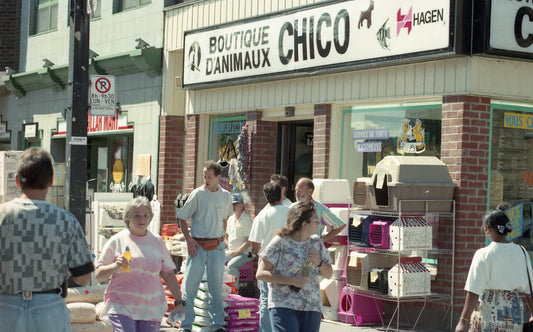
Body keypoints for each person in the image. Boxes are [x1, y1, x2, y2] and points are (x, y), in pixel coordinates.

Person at [0, 147, 94, 332]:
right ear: (51, 180)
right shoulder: (66, 220)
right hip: (50, 310)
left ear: (17, 180)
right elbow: (83, 278)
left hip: (5, 309)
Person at [95, 196, 184, 332]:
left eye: (145, 215)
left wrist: (178, 302)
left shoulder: (157, 242)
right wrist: (115, 266)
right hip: (121, 305)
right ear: (128, 218)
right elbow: (98, 275)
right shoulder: (117, 240)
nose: (141, 220)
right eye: (137, 216)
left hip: (150, 307)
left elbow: (169, 275)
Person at [256, 201, 333, 332]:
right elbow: (261, 273)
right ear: (304, 224)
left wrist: (318, 261)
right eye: (315, 220)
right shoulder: (280, 242)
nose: (318, 224)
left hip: (311, 306)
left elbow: (329, 274)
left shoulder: (316, 242)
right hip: (283, 304)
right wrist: (292, 281)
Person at [455, 206, 533, 332]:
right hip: (514, 313)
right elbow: (529, 290)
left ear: (487, 228)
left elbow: (473, 291)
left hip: (489, 311)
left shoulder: (483, 254)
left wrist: (463, 321)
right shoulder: (521, 252)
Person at [177, 160, 233, 332]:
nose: (206, 180)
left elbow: (225, 219)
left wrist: (224, 240)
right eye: (204, 176)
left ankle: (218, 326)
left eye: (209, 177)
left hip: (217, 247)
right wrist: (188, 240)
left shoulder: (226, 196)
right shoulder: (197, 194)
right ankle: (186, 326)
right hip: (198, 247)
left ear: (218, 177)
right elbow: (182, 217)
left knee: (215, 288)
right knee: (190, 288)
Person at [249, 183, 290, 332]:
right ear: (281, 195)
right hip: (289, 259)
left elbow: (254, 244)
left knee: (266, 299)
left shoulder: (261, 215)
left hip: (267, 262)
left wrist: (259, 252)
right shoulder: (291, 212)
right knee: (288, 298)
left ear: (266, 197)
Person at [291, 177, 346, 244]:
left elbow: (340, 225)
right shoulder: (292, 207)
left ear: (310, 192)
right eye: (296, 190)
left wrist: (322, 240)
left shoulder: (320, 209)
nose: (297, 193)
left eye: (299, 191)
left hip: (311, 250)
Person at [225, 192, 254, 289]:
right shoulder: (230, 219)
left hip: (245, 253)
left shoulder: (247, 220)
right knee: (214, 260)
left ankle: (234, 293)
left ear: (242, 205)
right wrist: (229, 250)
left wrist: (235, 253)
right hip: (231, 252)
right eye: (232, 204)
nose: (233, 206)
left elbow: (248, 242)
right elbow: (226, 237)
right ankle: (221, 292)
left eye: (235, 204)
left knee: (231, 266)